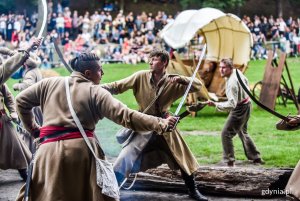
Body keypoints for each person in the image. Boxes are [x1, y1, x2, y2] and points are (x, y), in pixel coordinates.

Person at [15, 52, 177, 201]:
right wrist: (160, 123)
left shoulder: (48, 84)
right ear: (88, 74)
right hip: (80, 153)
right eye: (100, 70)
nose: (103, 74)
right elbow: (127, 117)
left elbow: (21, 101)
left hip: (46, 152)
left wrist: (35, 130)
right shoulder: (96, 92)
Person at [102, 49, 208, 201]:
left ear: (164, 62)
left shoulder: (174, 81)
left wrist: (183, 80)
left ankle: (193, 190)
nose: (150, 62)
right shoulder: (140, 76)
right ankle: (111, 192)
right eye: (149, 58)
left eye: (154, 59)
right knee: (125, 158)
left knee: (183, 158)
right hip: (144, 124)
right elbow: (117, 86)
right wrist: (95, 88)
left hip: (166, 126)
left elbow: (197, 86)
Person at [206, 58, 264, 167]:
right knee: (243, 132)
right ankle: (256, 157)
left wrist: (216, 104)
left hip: (240, 108)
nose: (221, 70)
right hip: (247, 104)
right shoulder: (237, 72)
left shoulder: (232, 84)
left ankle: (229, 161)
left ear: (230, 68)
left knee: (226, 133)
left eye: (224, 68)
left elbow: (232, 104)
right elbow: (245, 82)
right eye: (220, 67)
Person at [0, 38, 42, 181]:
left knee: (18, 147)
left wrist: (12, 111)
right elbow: (8, 66)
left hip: (2, 119)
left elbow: (8, 97)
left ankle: (26, 173)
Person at [12, 52, 43, 153]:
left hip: (31, 107)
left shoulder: (30, 73)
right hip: (37, 105)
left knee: (28, 131)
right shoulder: (35, 70)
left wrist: (17, 86)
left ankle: (30, 155)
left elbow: (28, 85)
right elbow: (14, 75)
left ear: (25, 63)